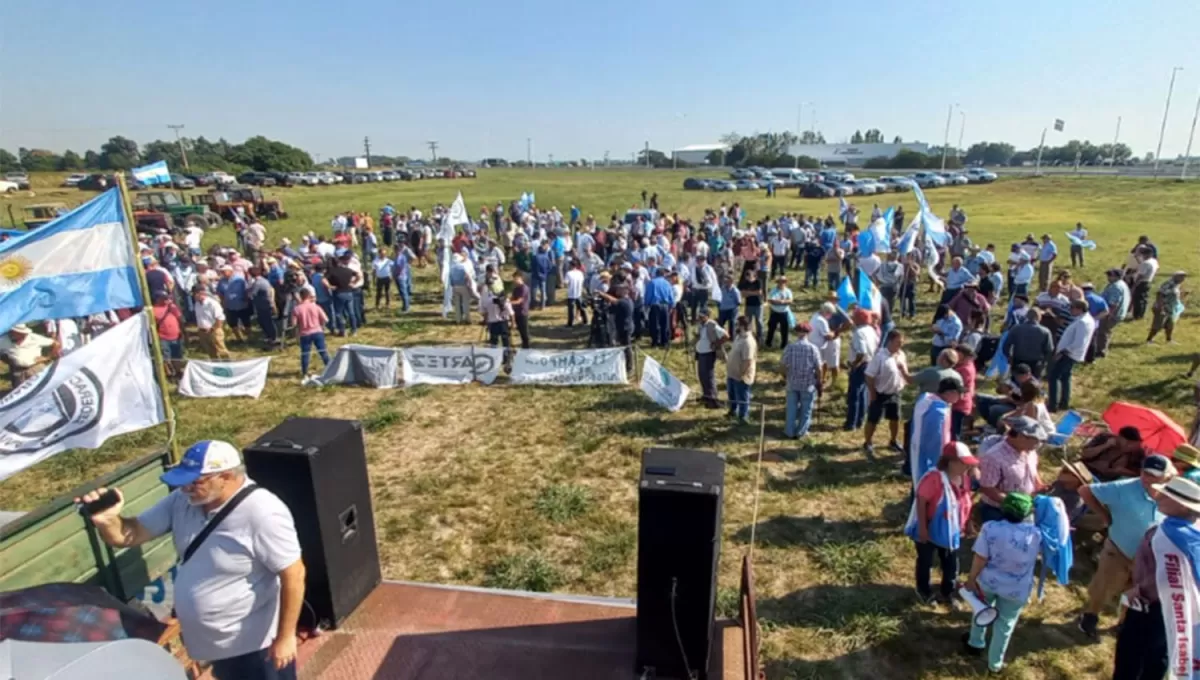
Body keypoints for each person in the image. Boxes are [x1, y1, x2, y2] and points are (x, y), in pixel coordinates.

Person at [76, 440, 305, 680]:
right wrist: (108, 521)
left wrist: (285, 637)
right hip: (218, 645)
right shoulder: (183, 501)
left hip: (256, 647)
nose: (185, 489)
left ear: (225, 477)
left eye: (195, 482)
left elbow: (294, 574)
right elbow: (131, 534)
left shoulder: (263, 512)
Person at [1076, 454, 1174, 640]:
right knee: (1104, 586)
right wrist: (1104, 516)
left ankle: (1122, 623)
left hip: (1148, 558)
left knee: (1136, 592)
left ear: (1167, 477)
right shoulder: (1123, 487)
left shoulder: (1171, 493)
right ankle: (1090, 616)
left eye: (1154, 474)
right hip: (1119, 549)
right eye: (1145, 472)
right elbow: (1085, 491)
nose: (1147, 477)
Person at [1111, 477, 1200, 679]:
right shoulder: (1191, 530)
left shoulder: (1172, 535)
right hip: (1179, 606)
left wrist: (1141, 591)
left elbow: (1169, 576)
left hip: (1154, 605)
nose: (1158, 496)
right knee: (1159, 653)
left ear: (1182, 506)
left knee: (1135, 655)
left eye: (1166, 495)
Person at [961, 492, 1041, 674]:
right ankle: (994, 664)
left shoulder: (990, 528)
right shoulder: (1036, 534)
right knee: (1005, 625)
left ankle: (975, 642)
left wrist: (972, 579)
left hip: (988, 582)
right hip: (1016, 589)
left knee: (980, 609)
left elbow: (980, 557)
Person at [911, 442, 978, 605]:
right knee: (926, 560)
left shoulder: (964, 479)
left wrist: (968, 523)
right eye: (964, 463)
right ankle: (923, 591)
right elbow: (921, 502)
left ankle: (948, 592)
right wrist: (922, 528)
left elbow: (966, 500)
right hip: (930, 527)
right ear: (950, 462)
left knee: (950, 561)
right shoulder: (934, 478)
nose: (967, 467)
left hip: (952, 530)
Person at [977, 416, 1047, 523]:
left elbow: (1032, 470)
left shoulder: (1030, 451)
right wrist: (1014, 504)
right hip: (1000, 510)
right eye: (1035, 440)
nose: (1038, 445)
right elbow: (987, 488)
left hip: (1026, 507)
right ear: (1020, 436)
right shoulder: (994, 457)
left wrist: (1039, 484)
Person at [864, 329, 910, 456]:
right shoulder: (880, 357)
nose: (900, 345)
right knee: (873, 419)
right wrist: (872, 393)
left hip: (895, 392)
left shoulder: (901, 355)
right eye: (897, 342)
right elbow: (869, 375)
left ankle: (893, 441)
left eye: (902, 342)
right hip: (880, 393)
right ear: (890, 341)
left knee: (895, 418)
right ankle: (868, 442)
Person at [1047, 299, 1095, 412]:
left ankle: (1053, 404)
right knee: (1065, 377)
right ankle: (1064, 402)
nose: (1070, 310)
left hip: (1069, 353)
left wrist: (1062, 352)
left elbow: (1078, 342)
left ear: (1079, 309)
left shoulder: (1082, 322)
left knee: (1054, 377)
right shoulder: (1084, 320)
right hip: (1070, 353)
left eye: (1072, 308)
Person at [781, 321, 823, 439]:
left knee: (791, 408)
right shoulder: (813, 349)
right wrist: (819, 381)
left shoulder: (790, 347)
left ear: (796, 333)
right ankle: (801, 432)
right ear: (808, 333)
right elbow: (819, 367)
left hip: (792, 382)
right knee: (806, 409)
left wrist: (785, 376)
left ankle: (789, 431)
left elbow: (783, 365)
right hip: (808, 384)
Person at [844, 309, 880, 432]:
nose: (852, 319)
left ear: (859, 318)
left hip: (861, 365)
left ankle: (851, 423)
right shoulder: (871, 330)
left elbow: (861, 352)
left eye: (854, 317)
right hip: (870, 363)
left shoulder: (859, 332)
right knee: (863, 393)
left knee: (854, 395)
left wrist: (854, 364)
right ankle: (860, 420)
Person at [0, 323, 60, 389]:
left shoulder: (34, 338)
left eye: (14, 332)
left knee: (41, 388)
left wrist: (48, 357)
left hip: (36, 368)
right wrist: (7, 359)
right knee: (20, 392)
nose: (11, 333)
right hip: (18, 371)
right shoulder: (3, 340)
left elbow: (56, 343)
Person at [1079, 426, 1147, 482]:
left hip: (1104, 481)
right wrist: (1105, 445)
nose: (1130, 447)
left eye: (1133, 444)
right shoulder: (1104, 437)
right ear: (1119, 437)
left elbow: (1141, 475)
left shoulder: (1138, 453)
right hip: (1084, 468)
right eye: (1128, 443)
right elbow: (1085, 454)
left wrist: (1124, 471)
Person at [1004, 308, 1054, 379]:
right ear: (1039, 317)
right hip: (1035, 363)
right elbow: (1049, 350)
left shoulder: (1016, 328)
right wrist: (1044, 363)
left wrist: (1009, 357)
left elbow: (1006, 345)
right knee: (1032, 386)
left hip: (1018, 361)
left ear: (1026, 316)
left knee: (1015, 384)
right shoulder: (1045, 331)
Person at [291, 288, 330, 378]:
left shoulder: (296, 309)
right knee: (323, 351)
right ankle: (329, 367)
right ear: (309, 296)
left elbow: (294, 324)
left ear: (301, 297)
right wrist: (322, 325)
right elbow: (326, 319)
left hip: (305, 333)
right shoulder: (316, 306)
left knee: (305, 353)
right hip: (317, 331)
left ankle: (305, 372)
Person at [725, 316, 758, 423]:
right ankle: (733, 411)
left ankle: (743, 417)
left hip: (741, 376)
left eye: (737, 324)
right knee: (732, 394)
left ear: (742, 326)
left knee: (742, 397)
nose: (735, 326)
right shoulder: (739, 337)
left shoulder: (748, 342)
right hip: (732, 373)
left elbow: (747, 361)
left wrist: (741, 375)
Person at [694, 308, 728, 409]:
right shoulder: (700, 325)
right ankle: (706, 396)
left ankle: (713, 399)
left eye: (702, 316)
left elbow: (726, 335)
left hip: (708, 353)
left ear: (707, 316)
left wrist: (716, 344)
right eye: (699, 316)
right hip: (700, 353)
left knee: (709, 377)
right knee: (702, 375)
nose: (700, 318)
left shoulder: (712, 325)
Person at [1095, 268, 1130, 358]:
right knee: (1105, 331)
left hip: (1111, 314)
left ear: (1116, 277)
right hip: (1116, 313)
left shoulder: (1116, 287)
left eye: (1110, 275)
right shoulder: (1121, 284)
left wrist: (1108, 314)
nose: (1108, 277)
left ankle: (1101, 351)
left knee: (1103, 332)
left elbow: (1113, 303)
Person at [1147, 271, 1187, 344]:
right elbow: (1160, 294)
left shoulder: (1176, 285)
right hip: (1163, 308)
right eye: (1181, 277)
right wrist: (1160, 307)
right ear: (1175, 276)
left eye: (1183, 277)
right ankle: (1149, 340)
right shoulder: (1169, 284)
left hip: (1171, 309)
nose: (1182, 279)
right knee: (1157, 325)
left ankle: (1169, 340)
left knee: (1170, 325)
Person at [152, 291, 186, 379]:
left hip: (176, 336)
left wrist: (183, 331)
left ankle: (179, 371)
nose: (166, 300)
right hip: (163, 338)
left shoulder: (172, 307)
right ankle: (169, 374)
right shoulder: (153, 310)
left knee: (177, 355)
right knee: (166, 356)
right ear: (158, 299)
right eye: (164, 298)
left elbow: (179, 318)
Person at [194, 284, 231, 359]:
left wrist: (212, 329)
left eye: (196, 293)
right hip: (202, 332)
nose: (194, 296)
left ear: (201, 293)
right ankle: (216, 367)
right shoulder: (197, 304)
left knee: (221, 351)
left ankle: (228, 366)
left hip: (214, 331)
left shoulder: (212, 303)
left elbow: (220, 318)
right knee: (211, 352)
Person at [643, 267, 674, 348]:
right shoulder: (667, 283)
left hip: (655, 305)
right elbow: (671, 295)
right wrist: (671, 305)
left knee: (655, 324)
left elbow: (648, 295)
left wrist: (646, 304)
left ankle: (655, 342)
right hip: (665, 305)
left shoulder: (652, 283)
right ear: (663, 274)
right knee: (665, 324)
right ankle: (665, 342)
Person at [1129, 247, 1158, 321]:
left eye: (1144, 254)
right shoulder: (1154, 261)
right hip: (1148, 281)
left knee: (1138, 299)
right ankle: (1141, 314)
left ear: (1148, 254)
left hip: (1141, 282)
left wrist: (1135, 284)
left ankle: (1137, 315)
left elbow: (1140, 275)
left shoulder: (1146, 263)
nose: (1143, 256)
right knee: (1144, 299)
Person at [765, 276, 794, 349]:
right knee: (771, 328)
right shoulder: (773, 290)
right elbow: (771, 300)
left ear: (785, 283)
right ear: (778, 282)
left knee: (784, 329)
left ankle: (784, 345)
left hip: (784, 312)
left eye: (783, 281)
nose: (781, 283)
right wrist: (782, 302)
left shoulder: (788, 291)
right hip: (774, 312)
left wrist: (781, 301)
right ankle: (768, 343)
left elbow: (790, 301)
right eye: (780, 281)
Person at [510, 271, 532, 350]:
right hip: (516, 312)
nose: (514, 281)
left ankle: (527, 347)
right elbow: (512, 297)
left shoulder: (524, 288)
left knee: (524, 333)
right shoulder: (516, 288)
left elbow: (519, 301)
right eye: (514, 279)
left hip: (523, 313)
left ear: (520, 278)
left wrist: (509, 303)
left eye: (516, 279)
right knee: (519, 331)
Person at [566, 261, 589, 328]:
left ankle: (570, 324)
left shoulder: (568, 273)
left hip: (571, 294)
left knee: (571, 310)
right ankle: (585, 321)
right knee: (581, 308)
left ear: (571, 266)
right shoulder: (580, 273)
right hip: (579, 293)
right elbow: (582, 281)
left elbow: (566, 283)